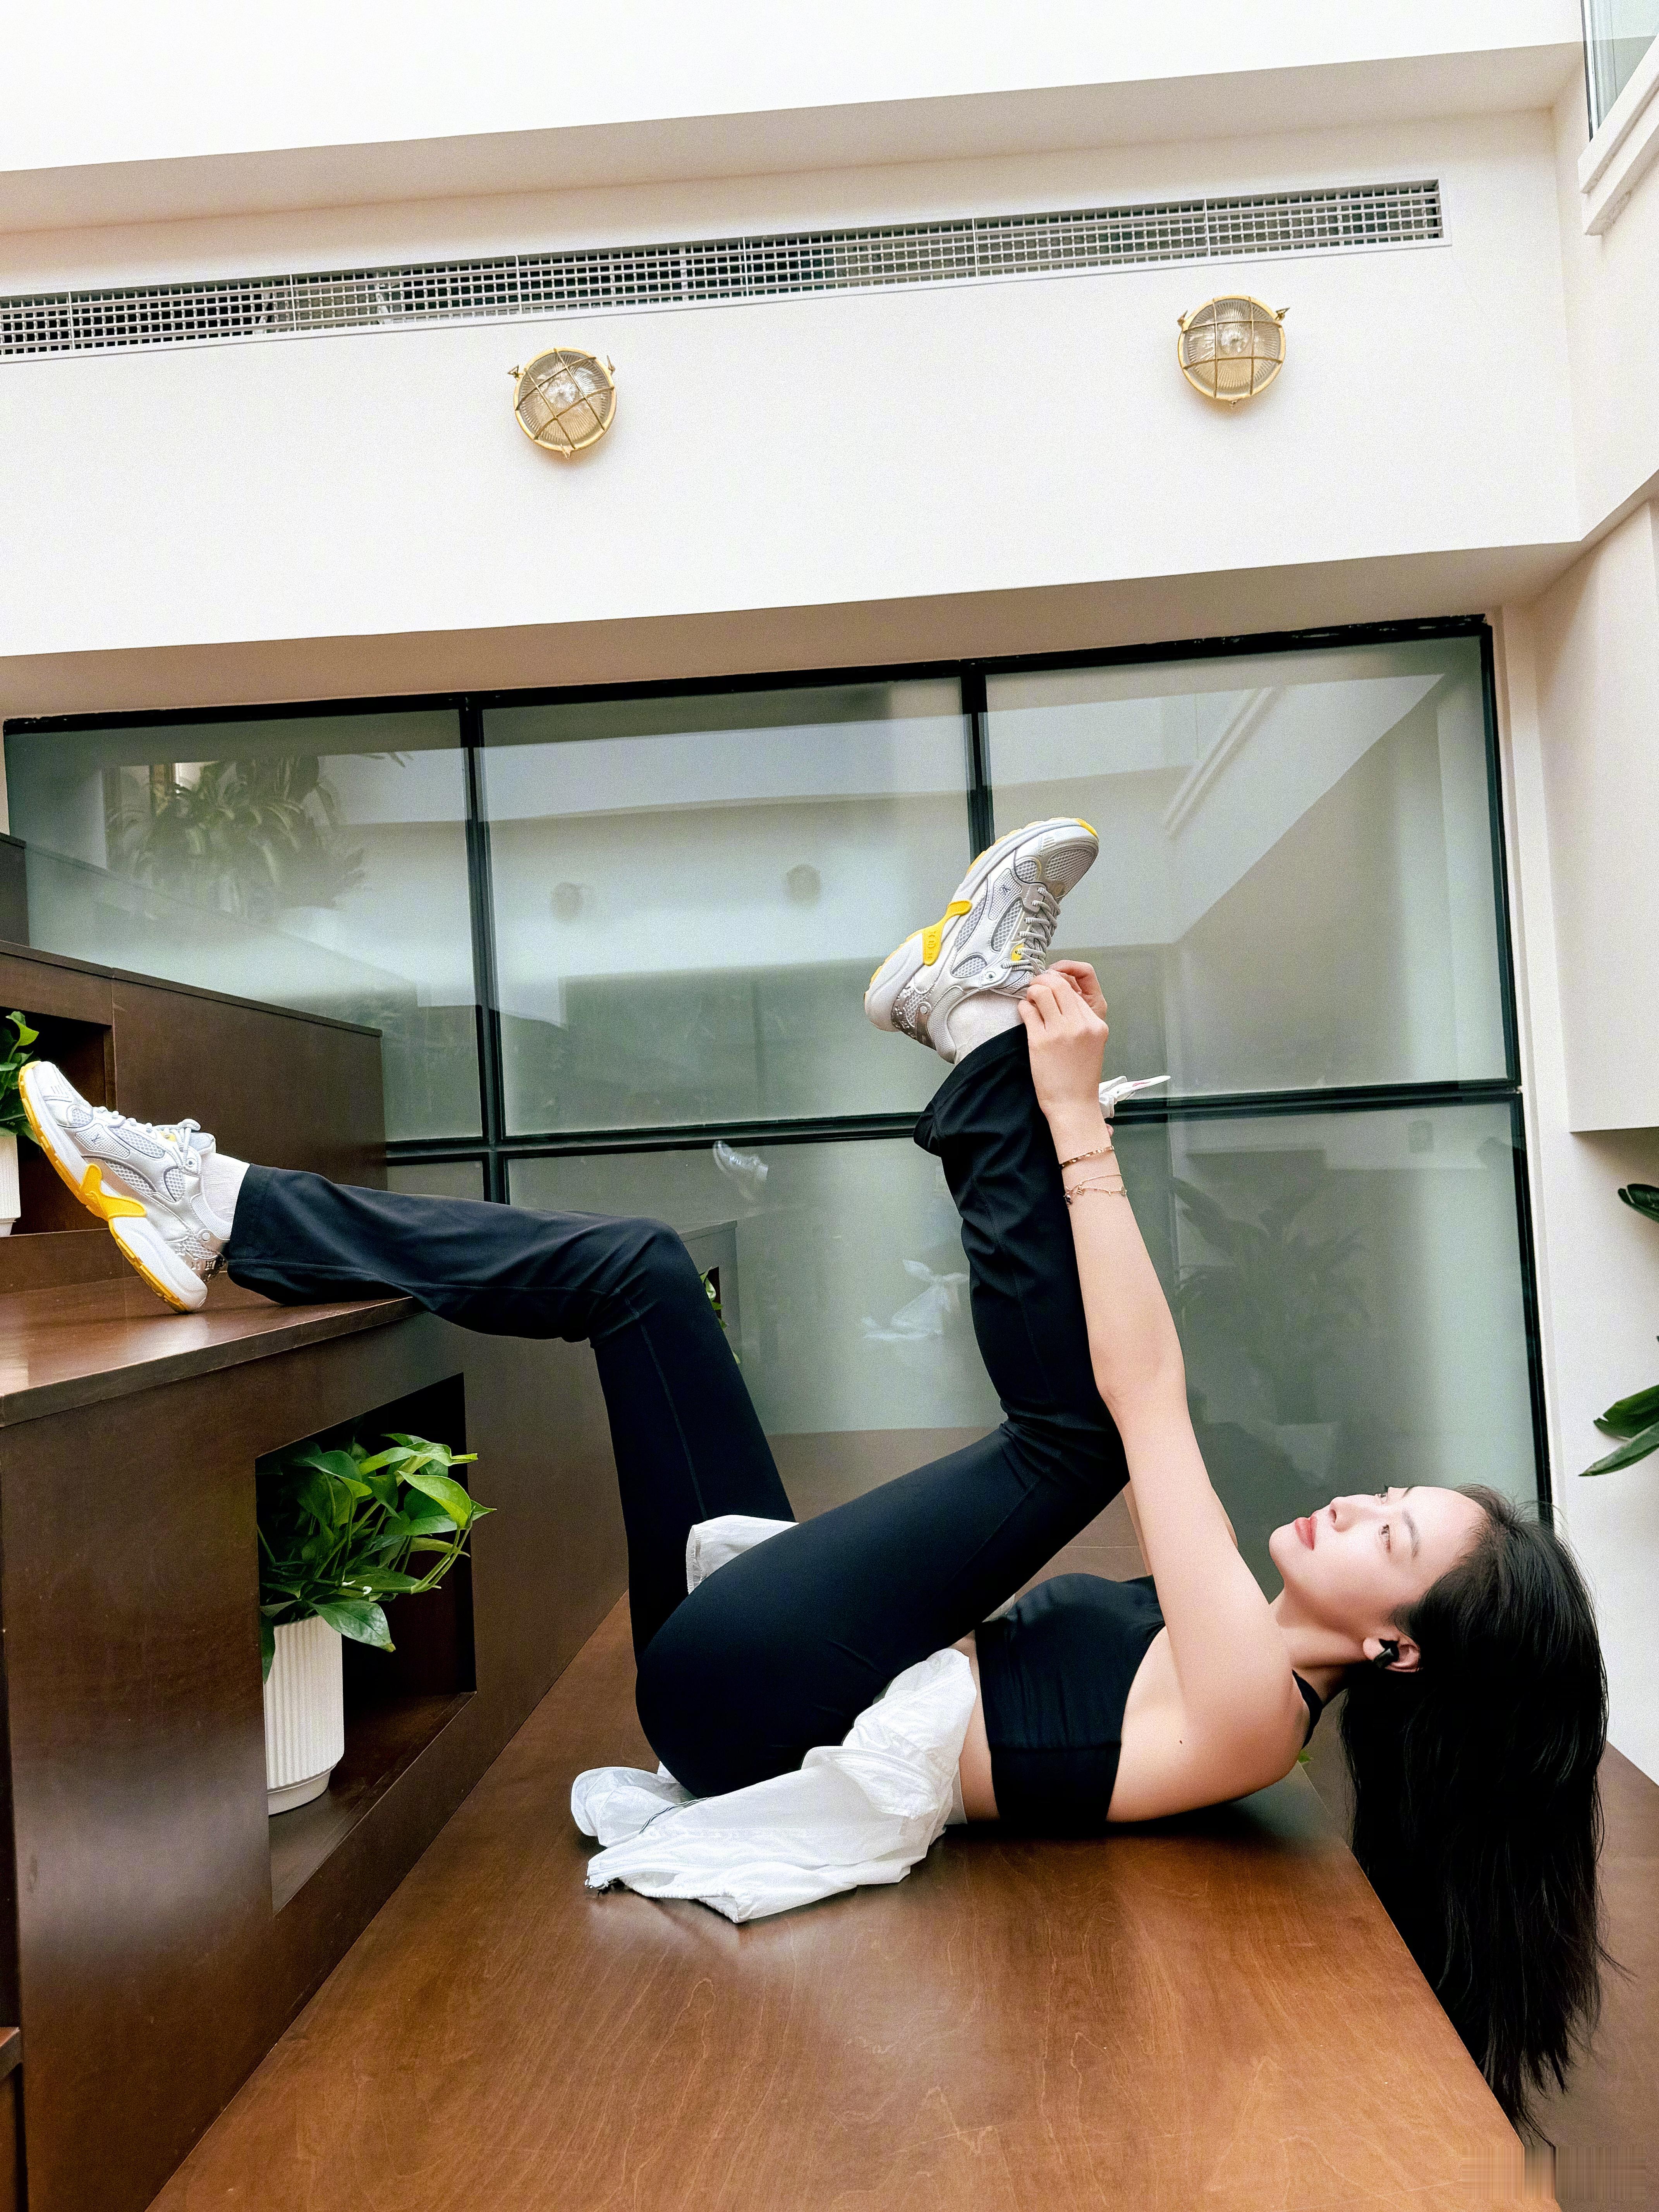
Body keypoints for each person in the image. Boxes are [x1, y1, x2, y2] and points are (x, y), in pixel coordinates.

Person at [18, 816, 1606, 2134]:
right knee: (640, 1272)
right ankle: (224, 1209)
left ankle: (977, 1027)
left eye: (1391, 1534)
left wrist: (1068, 1122)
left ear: (1397, 1648)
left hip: (748, 1712)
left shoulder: (1255, 1709)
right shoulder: (1238, 1654)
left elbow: (1141, 1406)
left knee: (1079, 1440)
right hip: (766, 1666)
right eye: (1389, 1493)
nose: (1357, 1503)